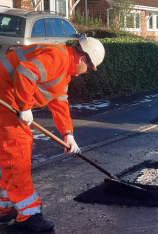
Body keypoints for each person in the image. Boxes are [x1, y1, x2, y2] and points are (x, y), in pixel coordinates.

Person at [0, 35, 105, 232]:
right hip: (5, 99)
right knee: (17, 154)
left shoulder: (64, 70)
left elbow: (60, 103)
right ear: (83, 59)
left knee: (12, 156)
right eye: (88, 69)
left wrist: (68, 133)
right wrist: (24, 107)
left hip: (8, 98)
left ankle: (5, 209)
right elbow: (25, 72)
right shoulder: (58, 57)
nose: (85, 73)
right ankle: (29, 216)